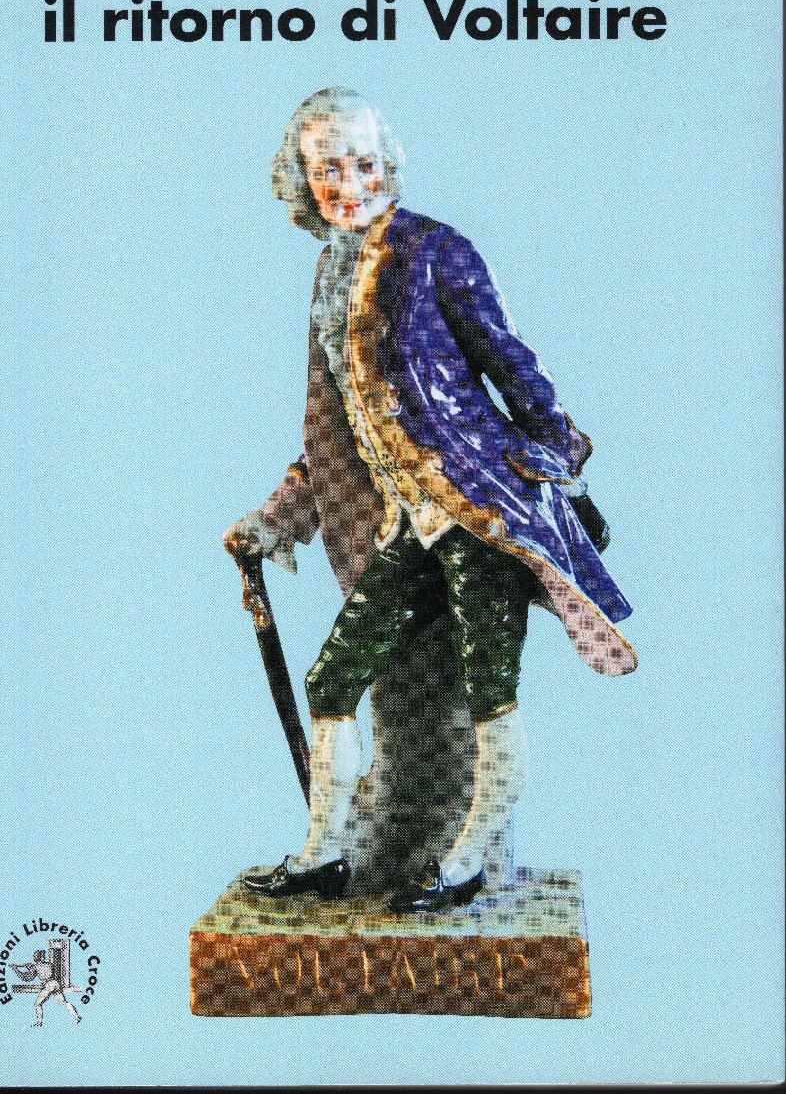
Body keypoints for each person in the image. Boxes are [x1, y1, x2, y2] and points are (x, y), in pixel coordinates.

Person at [224, 87, 636, 913]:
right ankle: (323, 853)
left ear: (389, 165)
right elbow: (330, 430)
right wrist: (276, 518)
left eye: (365, 164)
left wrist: (553, 460)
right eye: (328, 168)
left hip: (483, 511)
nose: (349, 184)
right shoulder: (330, 272)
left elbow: (514, 364)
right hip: (407, 524)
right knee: (332, 677)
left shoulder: (438, 250)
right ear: (302, 178)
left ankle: (468, 858)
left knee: (490, 690)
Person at [12, 950, 82, 1026]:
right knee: (64, 1002)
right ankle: (77, 1016)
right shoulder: (49, 965)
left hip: (49, 985)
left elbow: (26, 978)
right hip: (56, 984)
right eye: (43, 956)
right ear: (41, 958)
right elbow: (51, 974)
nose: (44, 957)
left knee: (37, 1004)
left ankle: (39, 1023)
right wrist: (26, 967)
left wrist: (16, 969)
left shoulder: (35, 967)